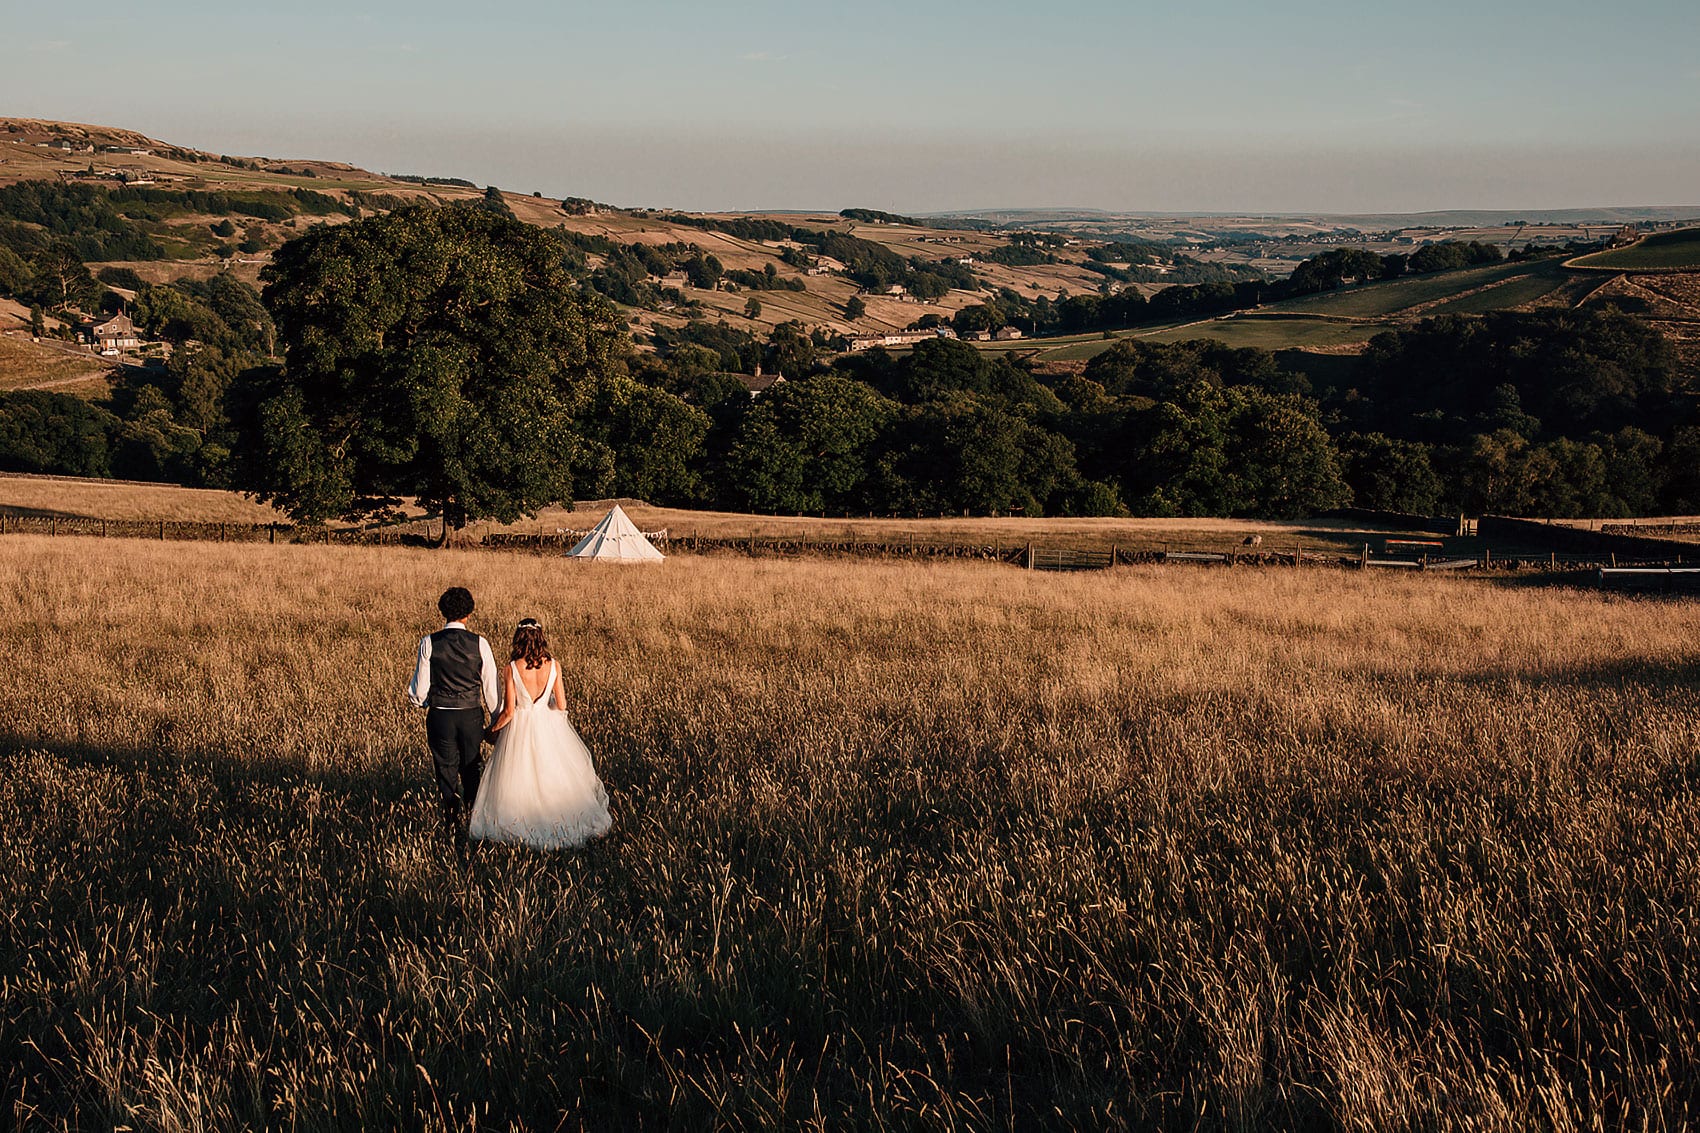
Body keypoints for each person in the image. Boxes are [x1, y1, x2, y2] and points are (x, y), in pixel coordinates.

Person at [469, 617, 612, 849]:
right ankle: (562, 820)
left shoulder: (512, 668)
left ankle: (522, 823)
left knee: (518, 778)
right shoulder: (554, 665)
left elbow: (508, 712)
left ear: (518, 638)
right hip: (548, 725)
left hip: (521, 728)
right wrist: (545, 711)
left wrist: (489, 732)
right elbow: (563, 705)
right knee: (554, 775)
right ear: (540, 637)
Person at [407, 586, 501, 849]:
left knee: (445, 770)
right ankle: (474, 821)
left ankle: (451, 822)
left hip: (440, 716)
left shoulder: (429, 642)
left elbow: (419, 691)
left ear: (443, 612)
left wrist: (427, 701)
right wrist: (496, 720)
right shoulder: (480, 643)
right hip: (471, 715)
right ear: (469, 613)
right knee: (472, 768)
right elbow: (491, 689)